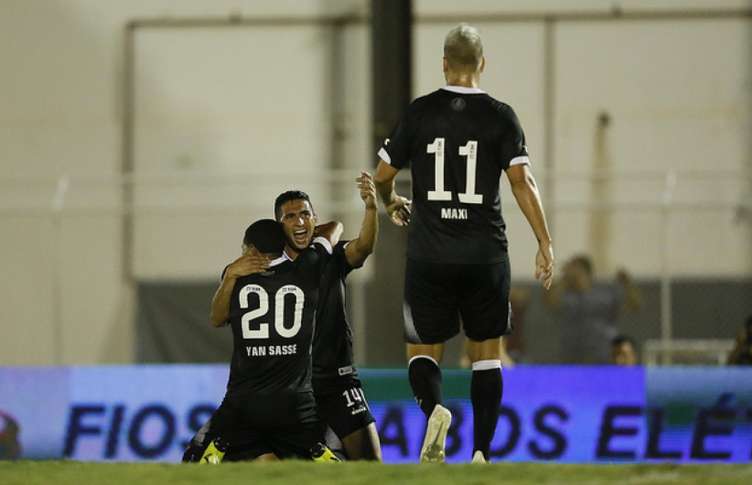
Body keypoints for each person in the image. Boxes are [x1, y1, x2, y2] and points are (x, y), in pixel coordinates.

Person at [373, 24, 554, 464]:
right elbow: (522, 182)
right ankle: (480, 454)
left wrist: (391, 201)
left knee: (421, 351)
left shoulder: (419, 113)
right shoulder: (500, 115)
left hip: (429, 255)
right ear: (482, 64)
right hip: (485, 256)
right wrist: (544, 242)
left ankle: (436, 411)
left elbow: (381, 177)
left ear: (443, 64)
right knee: (487, 354)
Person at [185, 173, 381, 461]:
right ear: (278, 228)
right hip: (292, 387)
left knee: (369, 462)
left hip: (334, 378)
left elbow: (363, 247)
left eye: (305, 215)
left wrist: (371, 210)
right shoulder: (257, 268)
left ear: (314, 219)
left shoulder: (329, 256)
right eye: (291, 217)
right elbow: (219, 316)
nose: (300, 221)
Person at [546, 255, 641, 365]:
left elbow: (635, 306)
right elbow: (550, 303)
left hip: (603, 354)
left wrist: (627, 284)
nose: (569, 271)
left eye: (573, 267)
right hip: (573, 355)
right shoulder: (568, 296)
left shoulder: (604, 294)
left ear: (583, 270)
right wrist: (563, 280)